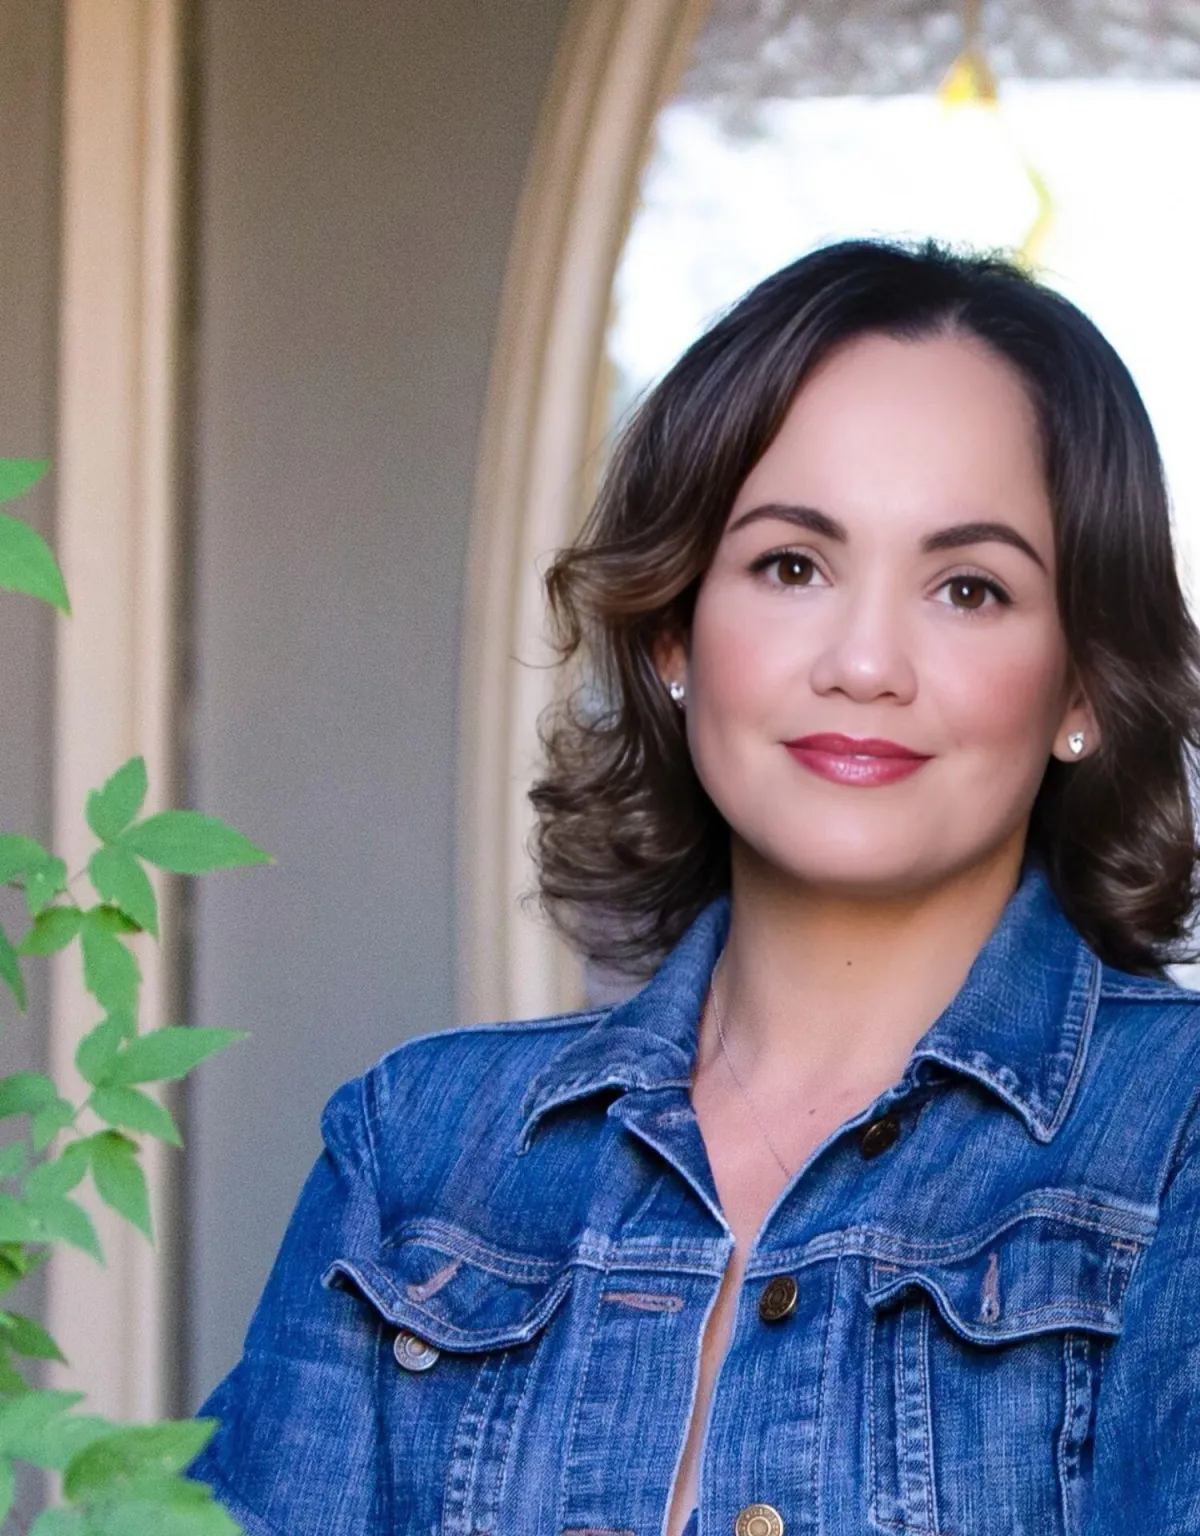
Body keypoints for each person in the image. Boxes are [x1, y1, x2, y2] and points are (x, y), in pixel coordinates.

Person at [190, 239, 1200, 1536]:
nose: (866, 661)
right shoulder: (416, 1156)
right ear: (674, 630)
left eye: (968, 587)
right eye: (793, 564)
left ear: (1079, 689)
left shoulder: (1171, 1139)